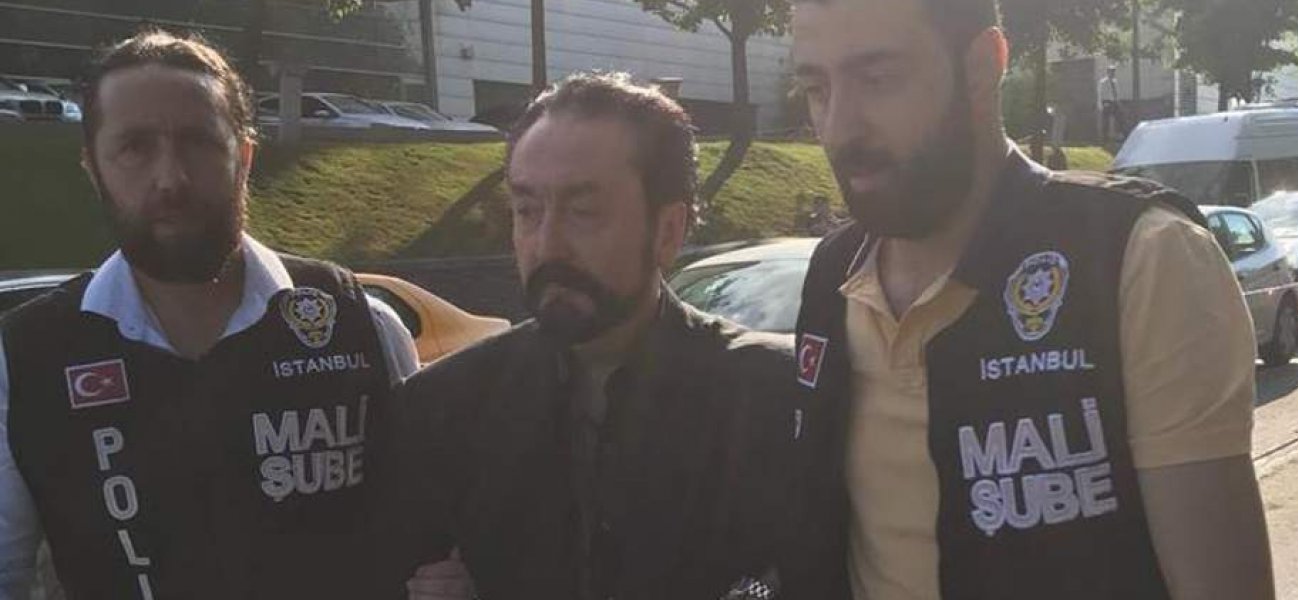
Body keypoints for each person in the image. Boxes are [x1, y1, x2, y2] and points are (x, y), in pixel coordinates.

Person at [787, 1, 1275, 599]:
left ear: (982, 66)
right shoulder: (831, 274)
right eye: (816, 88)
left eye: (878, 80)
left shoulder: (1140, 257)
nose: (839, 128)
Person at [0, 29, 457, 599]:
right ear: (93, 166)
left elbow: (430, 538)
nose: (171, 178)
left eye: (198, 142)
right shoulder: (25, 361)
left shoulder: (360, 325)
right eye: (135, 147)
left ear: (243, 158)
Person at [370, 73, 802, 599]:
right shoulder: (442, 408)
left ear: (669, 230)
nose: (547, 244)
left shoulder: (773, 399)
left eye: (583, 212)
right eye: (527, 211)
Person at [1099, 64, 1124, 143]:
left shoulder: (1115, 82)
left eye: (1113, 72)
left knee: (1119, 118)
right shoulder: (1103, 82)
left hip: (1114, 102)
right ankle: (1105, 138)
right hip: (1107, 102)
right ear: (1108, 72)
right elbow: (1101, 93)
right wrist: (1102, 103)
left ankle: (1118, 136)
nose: (1112, 73)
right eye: (1111, 71)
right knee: (1106, 121)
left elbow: (1117, 92)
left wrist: (1118, 101)